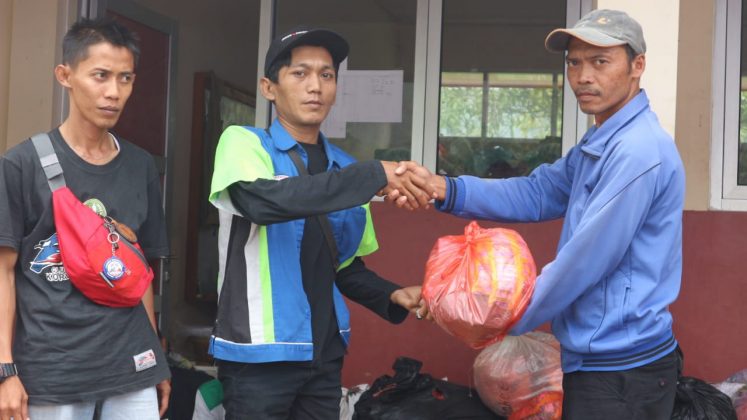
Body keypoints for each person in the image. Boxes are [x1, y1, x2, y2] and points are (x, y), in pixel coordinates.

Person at [391, 9, 685, 419]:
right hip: (602, 362)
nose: (583, 76)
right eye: (574, 62)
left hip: (622, 371)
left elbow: (584, 261)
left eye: (600, 61)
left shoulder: (636, 150)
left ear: (638, 65)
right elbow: (538, 192)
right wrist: (444, 187)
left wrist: (488, 315)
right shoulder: (604, 139)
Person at [208, 26, 430, 419]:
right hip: (258, 355)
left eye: (326, 75)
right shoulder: (244, 143)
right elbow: (262, 203)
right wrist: (371, 175)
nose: (315, 86)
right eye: (300, 73)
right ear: (269, 88)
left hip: (323, 354)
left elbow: (343, 265)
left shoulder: (345, 168)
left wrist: (394, 294)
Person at [0, 18, 171, 420]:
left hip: (130, 366)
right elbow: (3, 273)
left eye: (125, 78)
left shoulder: (140, 166)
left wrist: (157, 361)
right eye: (101, 75)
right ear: (65, 76)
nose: (114, 92)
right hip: (52, 371)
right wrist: (5, 370)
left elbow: (140, 272)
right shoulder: (21, 164)